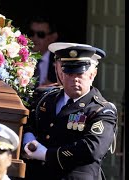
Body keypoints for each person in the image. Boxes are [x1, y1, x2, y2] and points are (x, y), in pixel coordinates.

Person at [21, 42, 118, 180]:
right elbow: (28, 120)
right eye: (69, 73)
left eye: (80, 73)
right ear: (61, 73)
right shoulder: (45, 99)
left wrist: (47, 154)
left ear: (93, 74)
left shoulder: (102, 110)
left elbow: (92, 149)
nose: (75, 79)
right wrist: (28, 137)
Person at [27, 16, 59, 87]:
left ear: (53, 37)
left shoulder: (59, 61)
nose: (34, 38)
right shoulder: (20, 57)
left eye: (40, 34)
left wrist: (55, 88)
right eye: (31, 33)